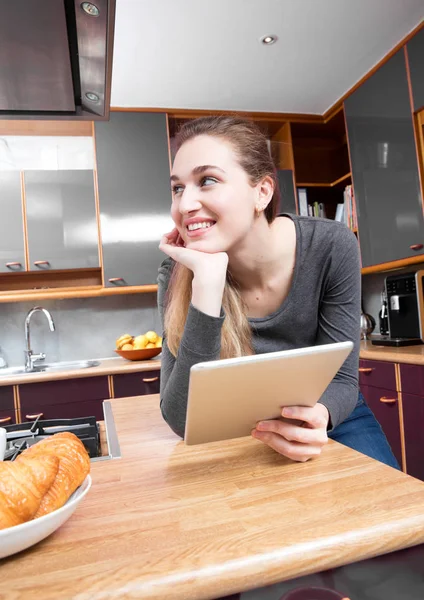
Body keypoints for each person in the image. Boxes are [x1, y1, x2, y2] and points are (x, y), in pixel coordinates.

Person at [157, 115, 399, 469]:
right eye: (178, 188)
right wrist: (206, 285)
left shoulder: (331, 246)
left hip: (327, 411)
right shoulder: (178, 272)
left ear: (263, 192)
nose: (184, 205)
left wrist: (320, 417)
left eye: (207, 180)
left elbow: (344, 379)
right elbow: (181, 418)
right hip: (239, 429)